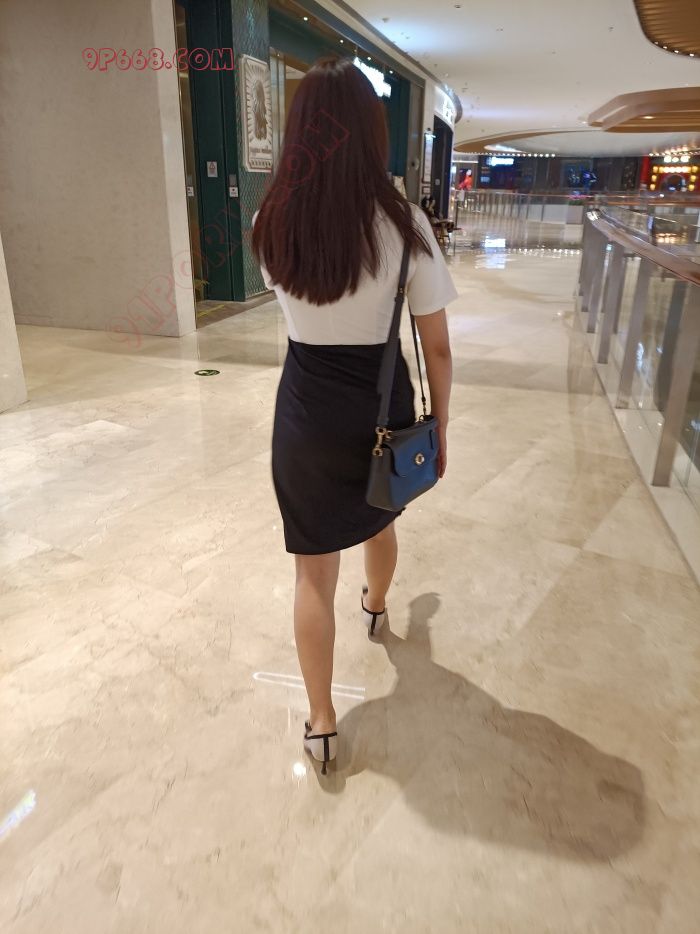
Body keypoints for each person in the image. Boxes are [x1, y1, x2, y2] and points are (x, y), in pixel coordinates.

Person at [252, 57, 457, 774]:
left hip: (305, 407)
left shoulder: (270, 220)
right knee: (379, 518)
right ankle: (376, 607)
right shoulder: (408, 226)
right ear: (373, 132)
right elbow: (437, 347)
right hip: (379, 404)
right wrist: (441, 427)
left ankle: (321, 720)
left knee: (312, 573)